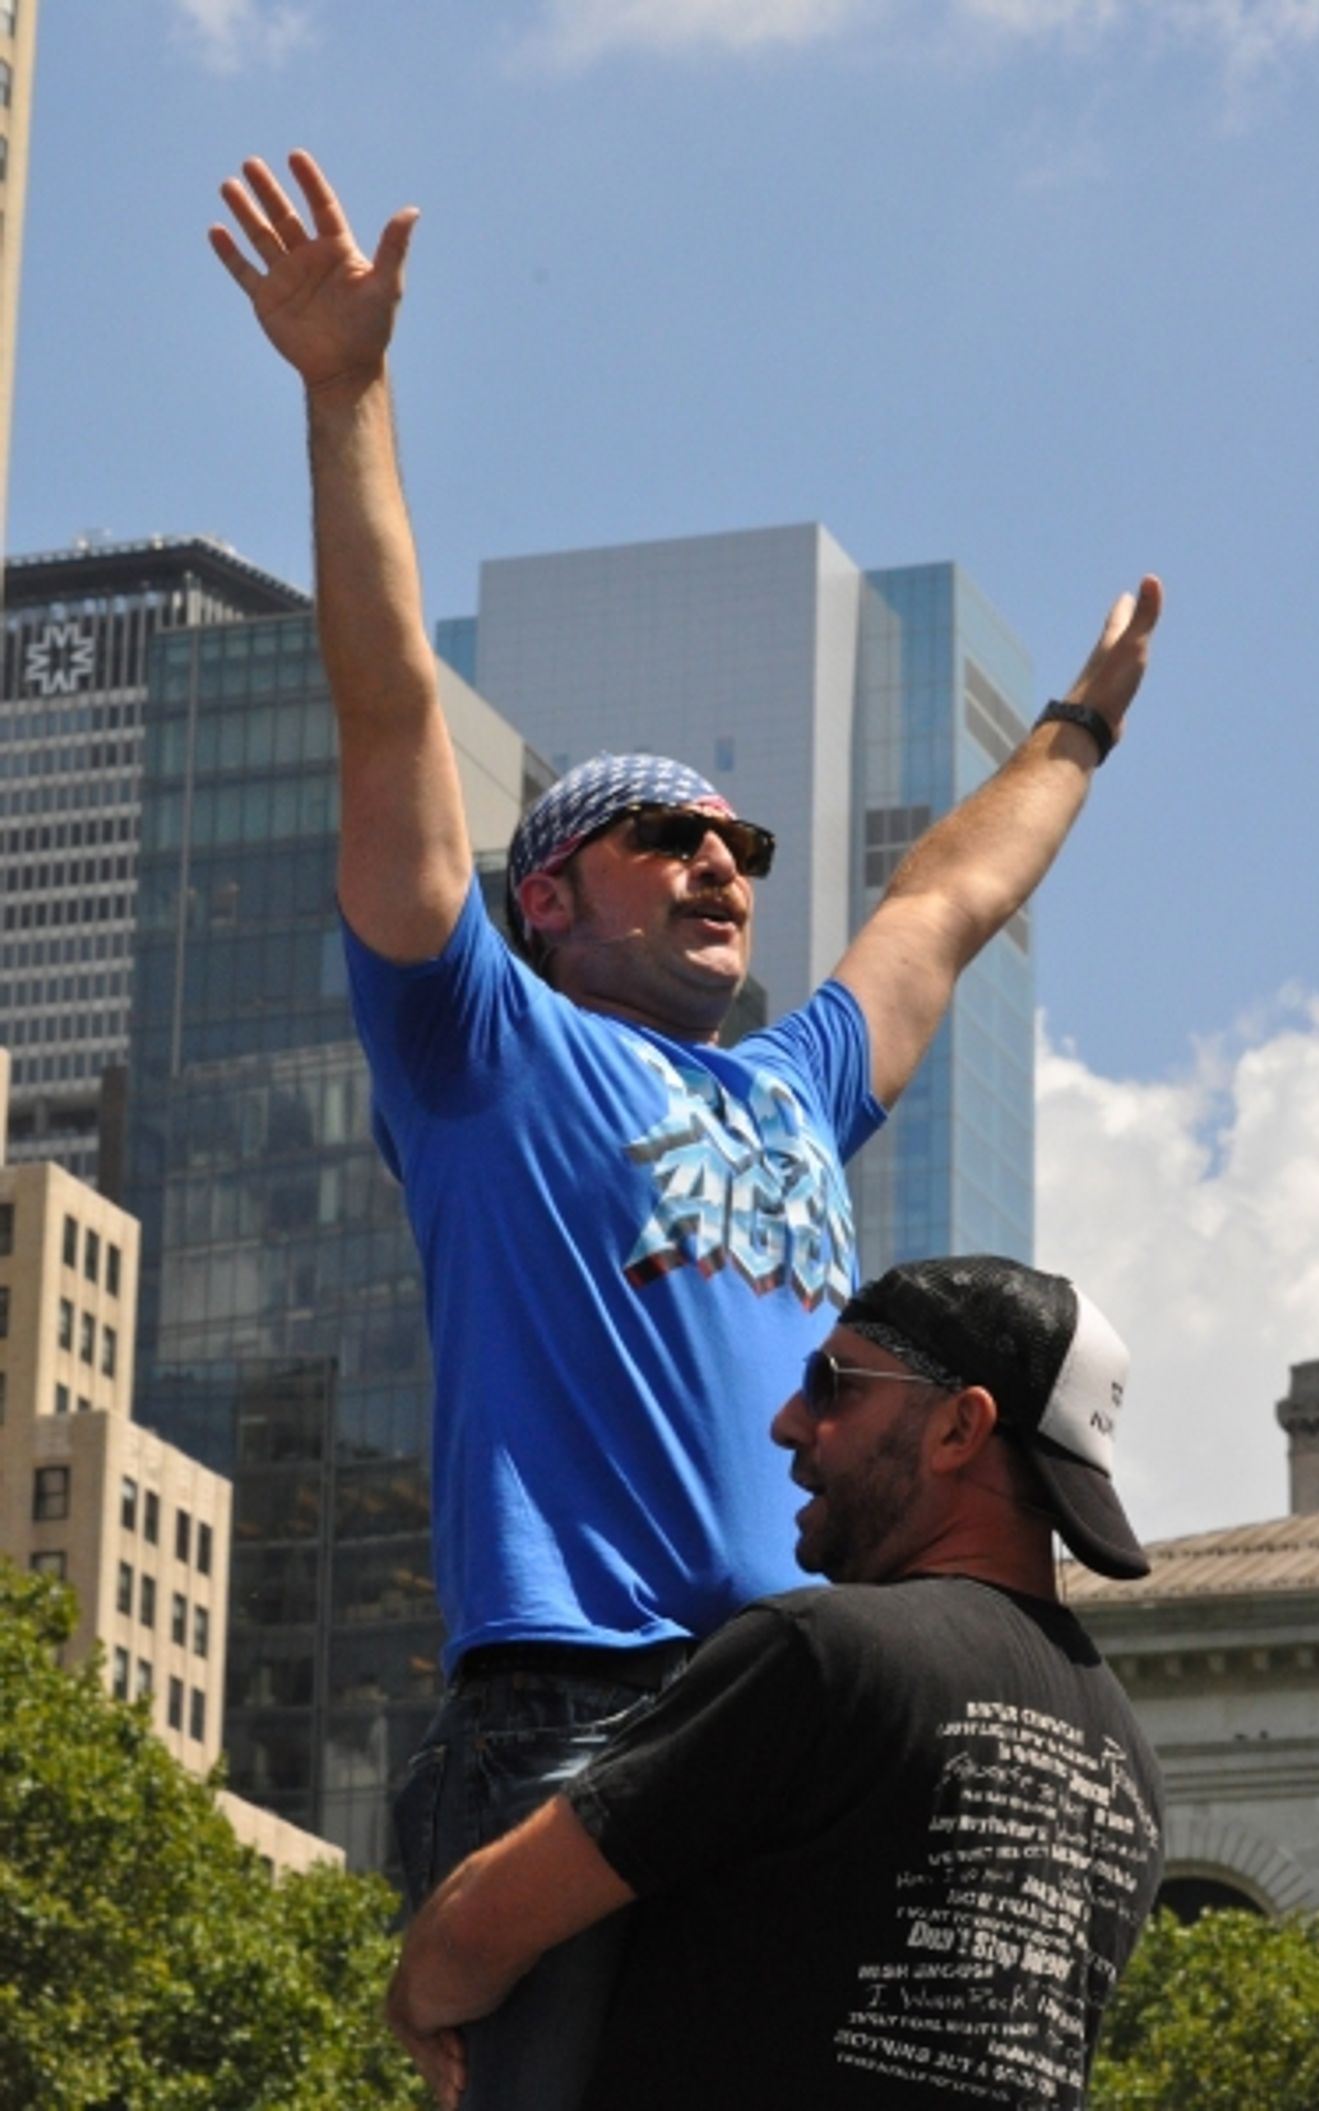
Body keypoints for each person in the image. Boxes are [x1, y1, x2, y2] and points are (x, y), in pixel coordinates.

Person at [210, 150, 1163, 2107]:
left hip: (791, 1714)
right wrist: (346, 390)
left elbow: (947, 905)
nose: (726, 861)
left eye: (745, 843)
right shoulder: (480, 1043)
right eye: (670, 836)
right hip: (569, 1703)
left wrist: (1077, 729)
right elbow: (388, 713)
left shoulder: (794, 1083)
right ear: (548, 892)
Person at [386, 1254, 1166, 2111]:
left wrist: (415, 1991)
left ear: (958, 1429)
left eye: (833, 1384)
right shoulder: (1130, 1768)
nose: (790, 1422)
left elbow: (477, 1931)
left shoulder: (826, 1653)